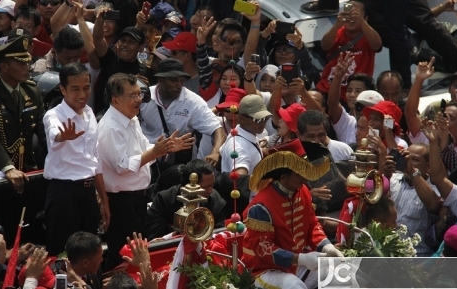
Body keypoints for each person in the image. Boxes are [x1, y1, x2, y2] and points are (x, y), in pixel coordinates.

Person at [98, 73, 194, 271]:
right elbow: (122, 166)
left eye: (138, 94)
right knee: (121, 256)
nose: (139, 100)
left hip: (138, 199)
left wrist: (165, 147)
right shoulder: (110, 127)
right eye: (132, 96)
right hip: (120, 201)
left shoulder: (131, 119)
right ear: (115, 100)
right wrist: (155, 152)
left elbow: (144, 149)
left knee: (136, 252)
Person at [242, 139, 343, 288]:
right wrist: (301, 259)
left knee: (340, 273)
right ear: (283, 177)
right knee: (294, 286)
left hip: (297, 264)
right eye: (299, 172)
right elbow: (264, 250)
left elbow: (312, 225)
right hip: (264, 270)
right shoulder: (261, 207)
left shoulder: (303, 191)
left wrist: (328, 247)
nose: (304, 176)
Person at [42, 63, 109, 257]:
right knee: (63, 253)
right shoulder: (53, 115)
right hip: (64, 193)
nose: (82, 94)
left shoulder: (89, 113)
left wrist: (103, 200)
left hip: (88, 193)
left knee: (90, 252)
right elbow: (55, 134)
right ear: (62, 89)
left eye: (86, 87)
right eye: (75, 89)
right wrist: (64, 136)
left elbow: (95, 159)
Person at [0, 35, 47, 193]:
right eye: (21, 63)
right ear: (4, 67)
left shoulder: (31, 90)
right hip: (0, 175)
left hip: (29, 171)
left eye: (28, 62)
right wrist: (7, 167)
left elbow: (43, 132)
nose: (27, 67)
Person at [140, 58, 225, 169]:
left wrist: (215, 152)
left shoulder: (192, 101)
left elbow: (218, 129)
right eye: (174, 80)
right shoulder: (143, 97)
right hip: (148, 157)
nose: (179, 85)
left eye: (181, 80)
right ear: (160, 79)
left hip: (180, 162)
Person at [316, 0, 382, 102]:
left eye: (356, 12)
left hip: (354, 96)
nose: (352, 16)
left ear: (365, 18)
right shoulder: (338, 32)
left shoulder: (368, 35)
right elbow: (325, 46)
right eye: (349, 11)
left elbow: (377, 45)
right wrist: (337, 25)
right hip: (327, 90)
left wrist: (361, 21)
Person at [144, 159, 226, 241]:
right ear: (189, 185)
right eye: (206, 187)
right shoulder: (164, 200)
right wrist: (177, 235)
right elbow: (154, 239)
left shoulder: (216, 201)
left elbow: (219, 235)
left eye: (212, 185)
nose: (211, 190)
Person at [220, 94, 271, 174]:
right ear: (242, 119)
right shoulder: (240, 147)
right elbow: (239, 180)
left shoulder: (246, 135)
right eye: (257, 119)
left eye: (265, 118)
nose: (262, 122)